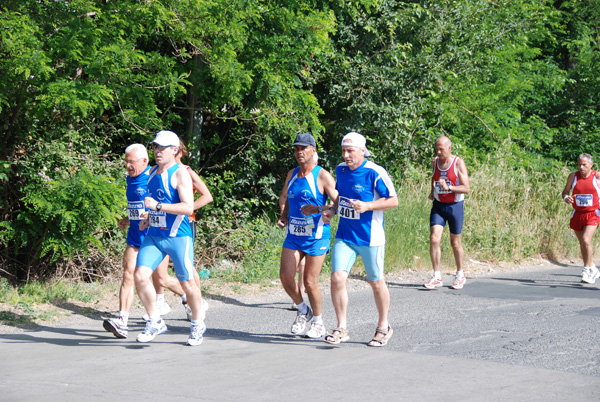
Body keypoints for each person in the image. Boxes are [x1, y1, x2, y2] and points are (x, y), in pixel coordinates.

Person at [321, 132, 398, 347]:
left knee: (375, 282)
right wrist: (332, 211)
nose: (346, 155)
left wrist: (368, 206)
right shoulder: (341, 170)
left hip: (370, 238)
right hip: (345, 235)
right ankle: (341, 327)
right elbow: (340, 200)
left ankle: (384, 327)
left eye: (350, 151)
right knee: (337, 278)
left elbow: (393, 201)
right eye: (343, 151)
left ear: (362, 151)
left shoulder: (375, 172)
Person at [134, 130, 206, 346]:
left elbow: (187, 207)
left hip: (178, 237)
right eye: (155, 147)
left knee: (188, 285)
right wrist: (148, 217)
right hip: (155, 235)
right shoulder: (152, 173)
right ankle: (155, 321)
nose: (157, 151)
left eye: (162, 147)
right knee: (140, 276)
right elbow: (156, 204)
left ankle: (196, 323)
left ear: (175, 150)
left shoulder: (180, 173)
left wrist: (157, 206)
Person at [103, 144, 179, 339]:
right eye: (126, 161)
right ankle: (122, 321)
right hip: (136, 235)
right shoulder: (131, 179)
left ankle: (191, 298)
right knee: (128, 274)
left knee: (162, 280)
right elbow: (137, 206)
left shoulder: (154, 177)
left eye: (131, 162)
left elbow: (166, 203)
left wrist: (153, 211)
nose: (128, 165)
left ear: (145, 161)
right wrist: (128, 219)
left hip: (154, 236)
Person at [277, 133, 338, 338]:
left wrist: (321, 208)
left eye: (303, 148)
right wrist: (283, 215)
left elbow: (338, 203)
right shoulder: (292, 174)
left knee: (310, 282)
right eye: (296, 149)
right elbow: (284, 195)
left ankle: (319, 322)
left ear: (313, 150)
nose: (299, 152)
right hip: (294, 233)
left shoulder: (322, 175)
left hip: (316, 235)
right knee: (285, 277)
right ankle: (303, 310)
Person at [145, 142, 213, 321]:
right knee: (159, 273)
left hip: (183, 225)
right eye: (157, 149)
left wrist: (187, 210)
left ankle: (196, 301)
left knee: (186, 270)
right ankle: (161, 301)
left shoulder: (186, 171)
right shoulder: (157, 172)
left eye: (166, 150)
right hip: (160, 225)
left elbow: (207, 196)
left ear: (178, 153)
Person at [423, 136, 470, 290]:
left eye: (441, 148)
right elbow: (434, 177)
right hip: (438, 206)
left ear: (449, 148)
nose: (438, 151)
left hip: (455, 206)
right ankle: (437, 276)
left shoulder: (458, 163)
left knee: (455, 242)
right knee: (434, 238)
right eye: (436, 148)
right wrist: (432, 191)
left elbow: (466, 188)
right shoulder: (435, 161)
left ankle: (460, 274)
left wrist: (449, 188)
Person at [562, 153, 600, 284]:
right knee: (583, 244)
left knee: (586, 239)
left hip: (593, 213)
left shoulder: (597, 176)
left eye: (584, 164)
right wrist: (566, 198)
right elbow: (565, 191)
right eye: (579, 164)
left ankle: (587, 269)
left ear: (591, 165)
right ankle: (592, 267)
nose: (581, 167)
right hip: (578, 213)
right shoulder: (573, 176)